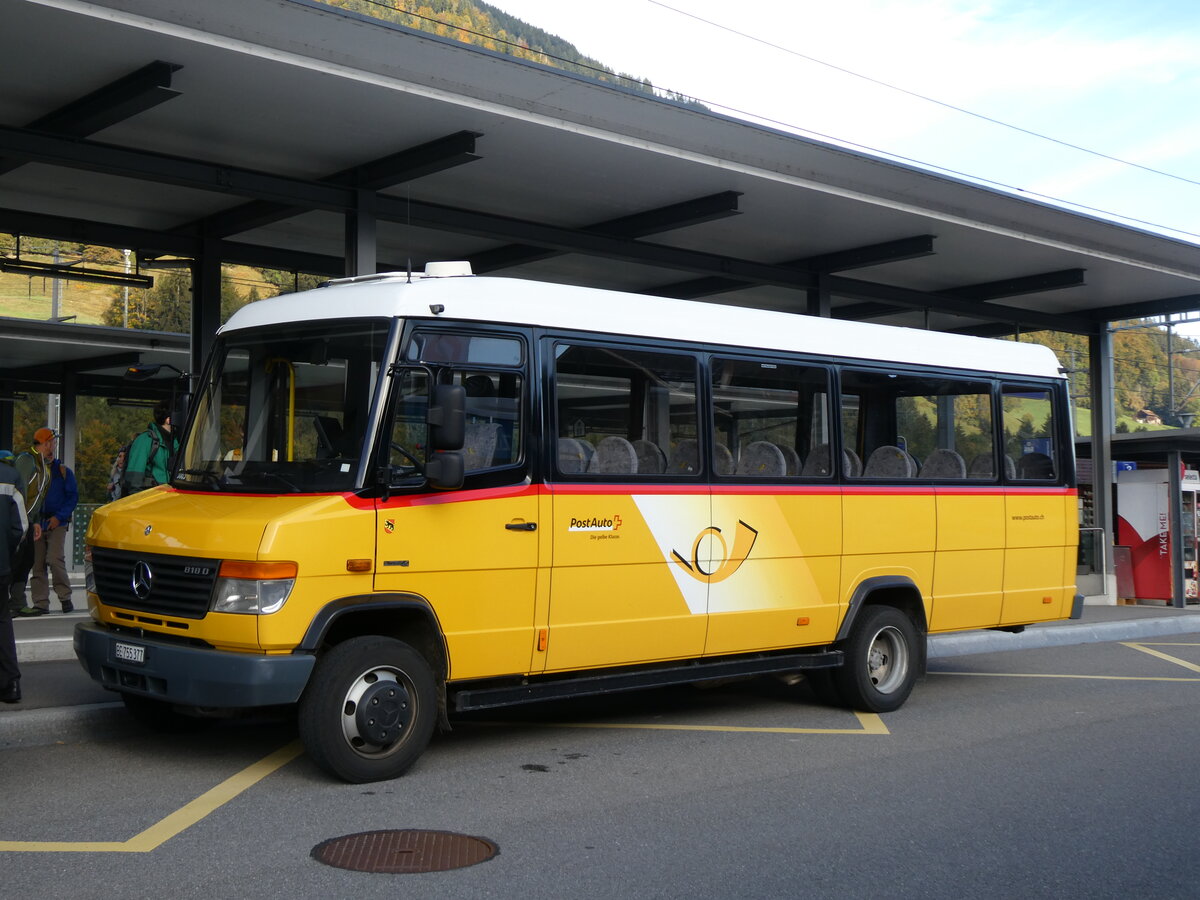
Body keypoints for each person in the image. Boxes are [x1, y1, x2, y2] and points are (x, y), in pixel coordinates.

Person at [18, 428, 78, 617]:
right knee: (38, 564)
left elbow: (72, 497)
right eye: (49, 444)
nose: (51, 449)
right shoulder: (35, 469)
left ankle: (64, 596)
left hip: (57, 522)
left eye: (52, 446)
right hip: (38, 522)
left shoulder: (63, 472)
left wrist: (59, 517)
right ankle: (41, 602)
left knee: (54, 559)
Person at [8, 427, 52, 614]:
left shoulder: (45, 466)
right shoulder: (27, 460)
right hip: (17, 520)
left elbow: (39, 498)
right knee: (13, 561)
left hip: (28, 520)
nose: (54, 446)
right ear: (47, 443)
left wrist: (35, 521)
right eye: (52, 442)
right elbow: (21, 492)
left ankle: (17, 602)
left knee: (26, 560)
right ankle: (9, 602)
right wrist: (21, 520)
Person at [1, 445, 29, 702]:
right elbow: (20, 526)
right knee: (2, 621)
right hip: (1, 564)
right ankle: (10, 684)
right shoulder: (11, 478)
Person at [124, 402, 179, 493]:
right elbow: (134, 478)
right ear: (168, 420)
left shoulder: (176, 442)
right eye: (178, 417)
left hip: (169, 499)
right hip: (150, 499)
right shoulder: (145, 440)